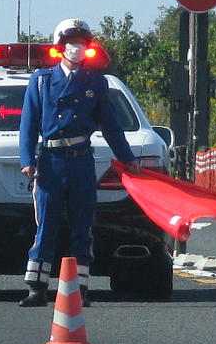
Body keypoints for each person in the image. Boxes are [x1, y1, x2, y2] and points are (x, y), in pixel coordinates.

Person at [17, 18, 140, 308]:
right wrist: (27, 159)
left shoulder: (95, 81)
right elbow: (29, 123)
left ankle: (79, 288)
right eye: (72, 43)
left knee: (82, 226)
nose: (77, 48)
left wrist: (126, 157)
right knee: (46, 224)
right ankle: (37, 287)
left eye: (82, 43)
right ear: (60, 47)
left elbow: (110, 124)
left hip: (81, 160)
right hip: (51, 161)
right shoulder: (42, 80)